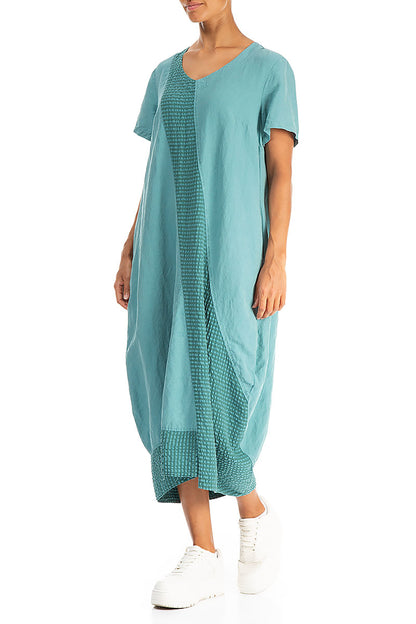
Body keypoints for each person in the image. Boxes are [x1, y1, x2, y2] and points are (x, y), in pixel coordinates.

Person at [114, 0, 299, 609]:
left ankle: (254, 513)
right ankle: (203, 552)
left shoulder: (270, 70)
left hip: (232, 252)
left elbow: (280, 172)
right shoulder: (164, 74)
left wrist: (276, 259)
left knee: (224, 381)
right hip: (164, 250)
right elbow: (157, 169)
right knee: (170, 383)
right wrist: (130, 245)